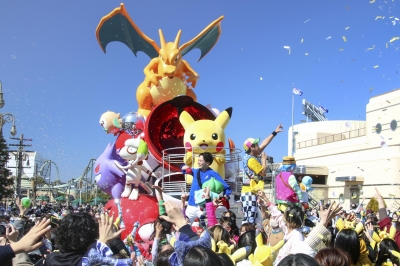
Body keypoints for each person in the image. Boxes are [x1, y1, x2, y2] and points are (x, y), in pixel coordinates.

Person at [241, 123, 283, 224]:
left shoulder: (251, 156)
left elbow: (264, 143)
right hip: (249, 192)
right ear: (251, 148)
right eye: (256, 145)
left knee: (254, 218)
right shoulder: (251, 160)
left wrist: (274, 133)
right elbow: (263, 173)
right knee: (250, 218)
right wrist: (264, 160)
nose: (258, 146)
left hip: (251, 191)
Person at [182, 152, 232, 223]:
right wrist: (185, 167)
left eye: (201, 161)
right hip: (191, 205)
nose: (198, 162)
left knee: (206, 228)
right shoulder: (195, 171)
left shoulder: (213, 174)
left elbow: (227, 188)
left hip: (204, 206)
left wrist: (225, 196)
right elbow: (183, 169)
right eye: (198, 160)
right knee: (185, 225)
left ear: (207, 163)